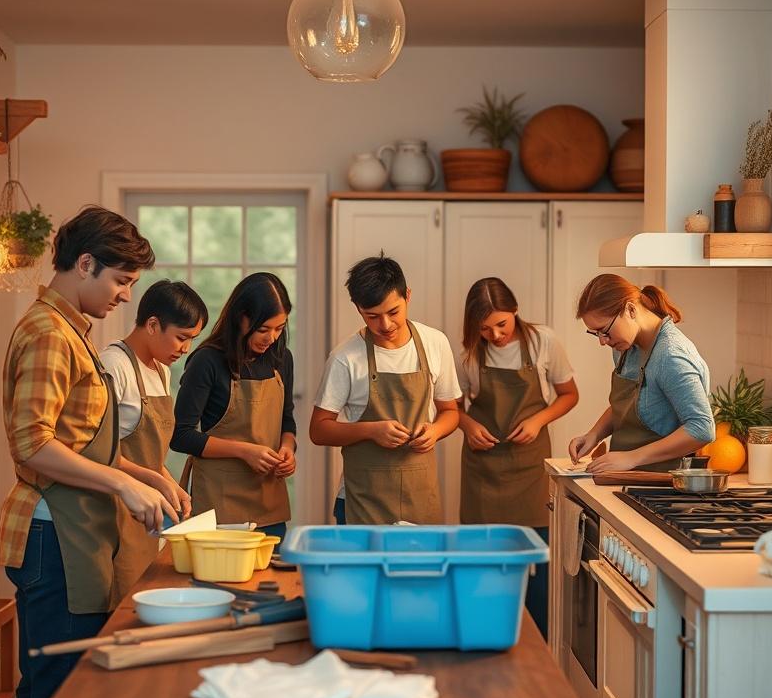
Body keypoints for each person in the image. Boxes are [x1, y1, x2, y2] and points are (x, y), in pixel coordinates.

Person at [0, 206, 180, 698]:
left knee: (66, 685)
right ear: (84, 264)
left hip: (74, 530)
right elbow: (32, 443)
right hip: (53, 533)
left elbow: (79, 441)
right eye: (121, 281)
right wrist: (121, 487)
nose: (126, 294)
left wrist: (144, 474)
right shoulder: (50, 333)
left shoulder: (72, 329)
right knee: (58, 692)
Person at [455, 277, 579, 638]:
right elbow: (452, 408)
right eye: (485, 328)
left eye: (501, 324)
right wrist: (467, 426)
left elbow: (569, 394)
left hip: (530, 468)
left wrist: (538, 420)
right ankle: (483, 636)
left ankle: (537, 645)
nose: (495, 335)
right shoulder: (468, 355)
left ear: (515, 311)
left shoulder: (543, 341)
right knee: (482, 562)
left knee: (537, 563)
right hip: (483, 469)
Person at [309, 253, 461, 525]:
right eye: (373, 316)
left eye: (393, 312)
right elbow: (318, 430)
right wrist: (371, 430)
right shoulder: (345, 357)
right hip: (363, 502)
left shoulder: (434, 343)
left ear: (408, 296)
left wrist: (435, 430)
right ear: (358, 308)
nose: (386, 325)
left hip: (420, 497)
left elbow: (451, 412)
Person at [101, 280, 208, 603]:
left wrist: (168, 482)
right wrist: (151, 478)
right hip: (116, 511)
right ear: (152, 325)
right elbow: (98, 452)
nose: (185, 348)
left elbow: (149, 452)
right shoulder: (113, 365)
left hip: (147, 513)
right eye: (181, 337)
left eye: (191, 340)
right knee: (123, 608)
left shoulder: (160, 371)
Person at [171, 272, 296, 539]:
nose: (272, 338)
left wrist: (287, 449)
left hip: (269, 503)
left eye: (280, 328)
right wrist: (244, 452)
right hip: (220, 508)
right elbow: (181, 436)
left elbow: (287, 419)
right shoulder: (207, 361)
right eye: (263, 329)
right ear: (241, 318)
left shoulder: (281, 359)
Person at [568, 274, 714, 473]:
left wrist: (632, 458)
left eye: (605, 331)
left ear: (630, 309)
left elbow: (702, 429)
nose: (603, 341)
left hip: (662, 485)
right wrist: (594, 435)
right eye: (596, 334)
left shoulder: (672, 356)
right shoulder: (624, 347)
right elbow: (632, 403)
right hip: (627, 477)